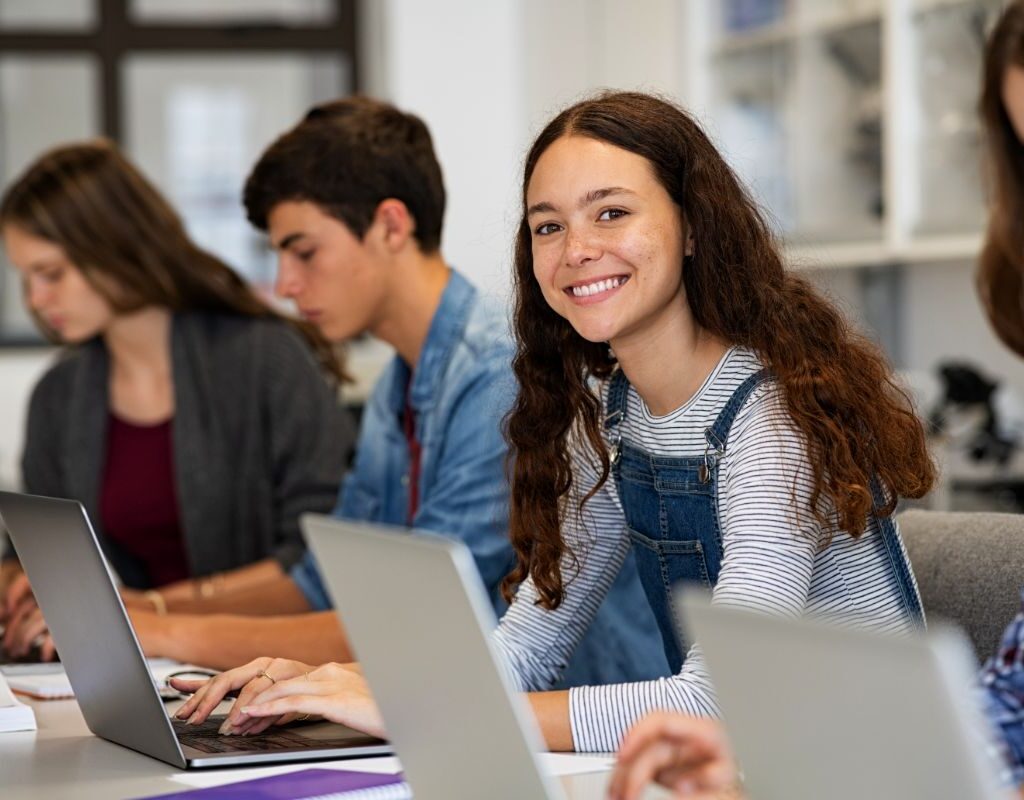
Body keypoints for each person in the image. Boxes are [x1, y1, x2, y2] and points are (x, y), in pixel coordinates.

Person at [171, 91, 935, 752]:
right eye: (548, 227)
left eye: (611, 213)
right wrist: (335, 684)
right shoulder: (610, 414)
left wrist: (417, 709)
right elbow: (526, 649)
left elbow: (718, 699)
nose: (577, 251)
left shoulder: (768, 420)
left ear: (694, 225)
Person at [113, 96, 667, 686]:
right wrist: (147, 608)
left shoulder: (500, 373)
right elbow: (325, 579)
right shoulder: (397, 382)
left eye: (303, 252)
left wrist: (159, 629)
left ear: (391, 226)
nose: (286, 284)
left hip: (579, 731)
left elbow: (409, 618)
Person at [0, 141, 351, 660]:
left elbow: (318, 556)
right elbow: (43, 543)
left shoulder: (264, 360)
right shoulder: (61, 393)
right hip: (142, 663)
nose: (35, 299)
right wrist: (19, 577)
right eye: (25, 278)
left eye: (51, 274)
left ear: (115, 249)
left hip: (268, 666)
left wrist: (145, 611)